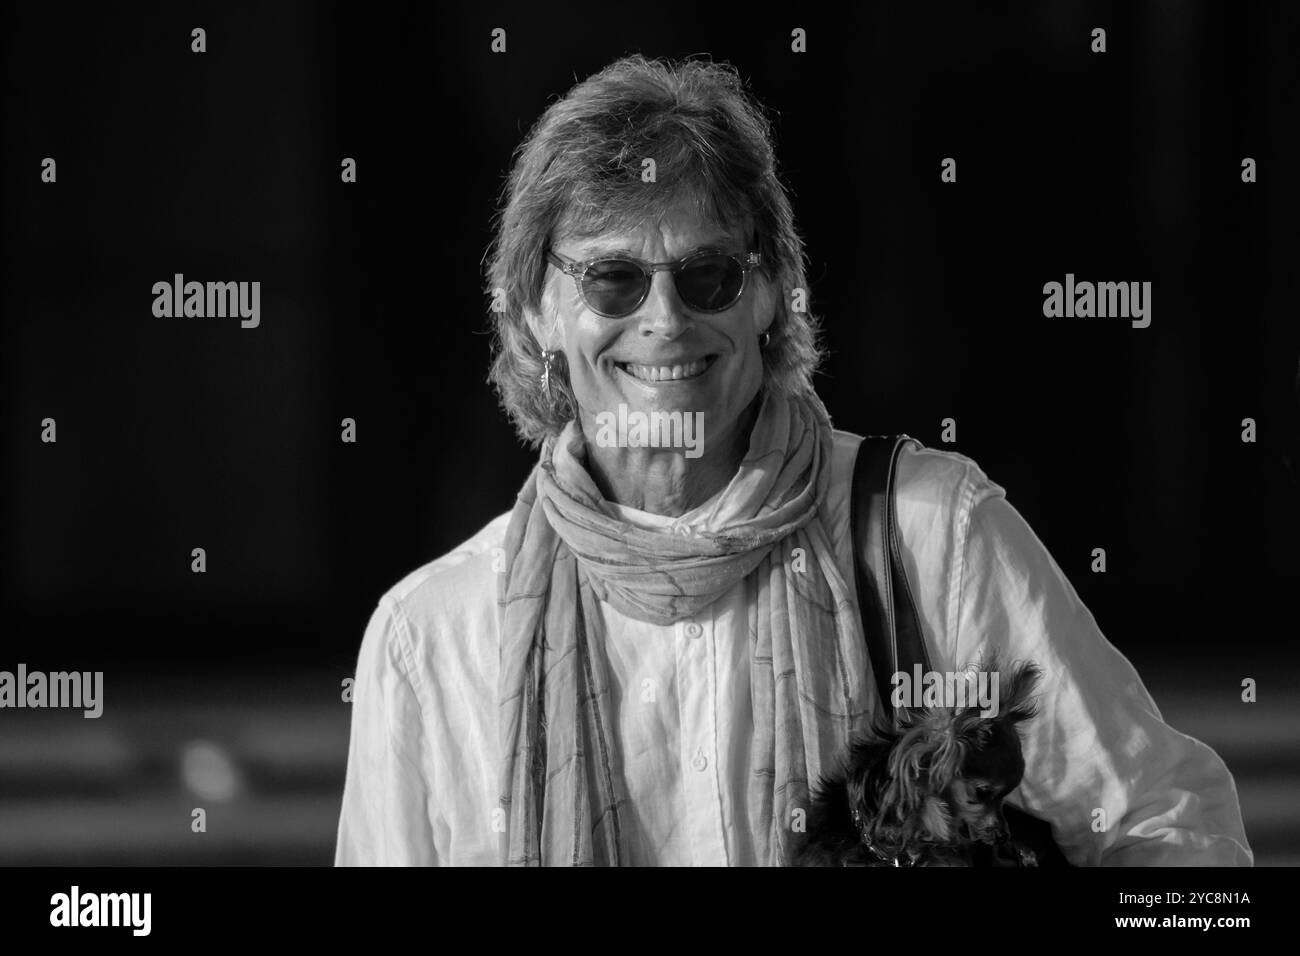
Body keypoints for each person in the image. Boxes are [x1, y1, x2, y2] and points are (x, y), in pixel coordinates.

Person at [334, 54, 1251, 866]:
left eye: (709, 276)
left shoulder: (934, 536)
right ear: (536, 308)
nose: (664, 321)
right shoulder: (431, 641)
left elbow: (1174, 827)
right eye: (612, 279)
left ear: (771, 291)